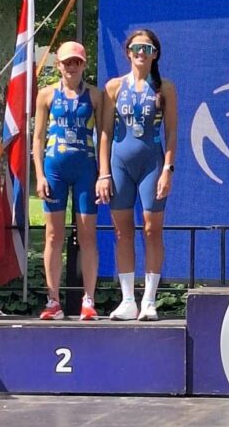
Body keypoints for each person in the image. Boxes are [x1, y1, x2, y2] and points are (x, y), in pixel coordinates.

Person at [96, 29, 178, 321]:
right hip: (119, 165)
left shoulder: (164, 88)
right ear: (128, 52)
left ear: (155, 54)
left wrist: (168, 169)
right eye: (136, 48)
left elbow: (172, 133)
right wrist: (103, 173)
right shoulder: (114, 87)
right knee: (122, 232)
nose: (141, 53)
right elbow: (105, 133)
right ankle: (128, 300)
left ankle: (149, 300)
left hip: (152, 164)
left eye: (147, 48)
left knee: (152, 229)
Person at [32, 41, 103, 320]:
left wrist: (103, 173)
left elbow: (104, 136)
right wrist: (39, 175)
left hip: (85, 169)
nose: (71, 67)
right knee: (53, 235)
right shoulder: (46, 95)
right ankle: (53, 301)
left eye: (76, 62)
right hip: (55, 171)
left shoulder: (95, 95)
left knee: (88, 235)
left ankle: (89, 299)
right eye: (66, 62)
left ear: (84, 65)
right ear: (58, 65)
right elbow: (38, 138)